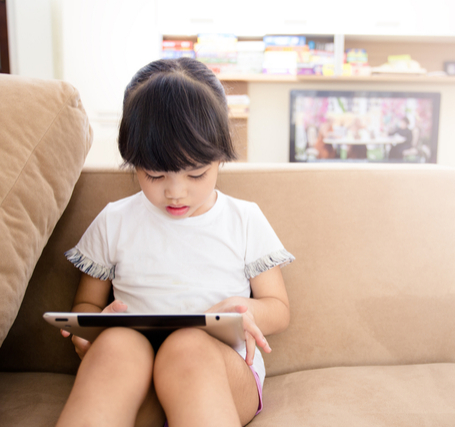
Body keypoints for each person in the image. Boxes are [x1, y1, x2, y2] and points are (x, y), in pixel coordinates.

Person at [56, 57, 294, 427]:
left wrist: (248, 311)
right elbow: (86, 302)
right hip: (138, 381)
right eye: (154, 175)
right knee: (118, 346)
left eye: (196, 174)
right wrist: (91, 327)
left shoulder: (243, 219)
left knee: (188, 347)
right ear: (133, 162)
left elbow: (278, 308)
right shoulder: (115, 220)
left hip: (220, 376)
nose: (176, 192)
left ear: (221, 158)